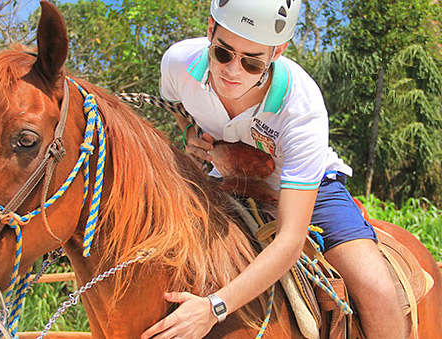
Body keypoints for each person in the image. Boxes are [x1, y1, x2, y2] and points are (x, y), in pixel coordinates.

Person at [141, 0, 406, 338]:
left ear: (277, 51)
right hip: (225, 180)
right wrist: (188, 131)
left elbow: (291, 238)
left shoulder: (302, 108)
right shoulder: (178, 62)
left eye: (252, 62)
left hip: (307, 189)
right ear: (210, 30)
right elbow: (178, 103)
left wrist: (214, 308)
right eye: (223, 53)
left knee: (377, 289)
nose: (232, 71)